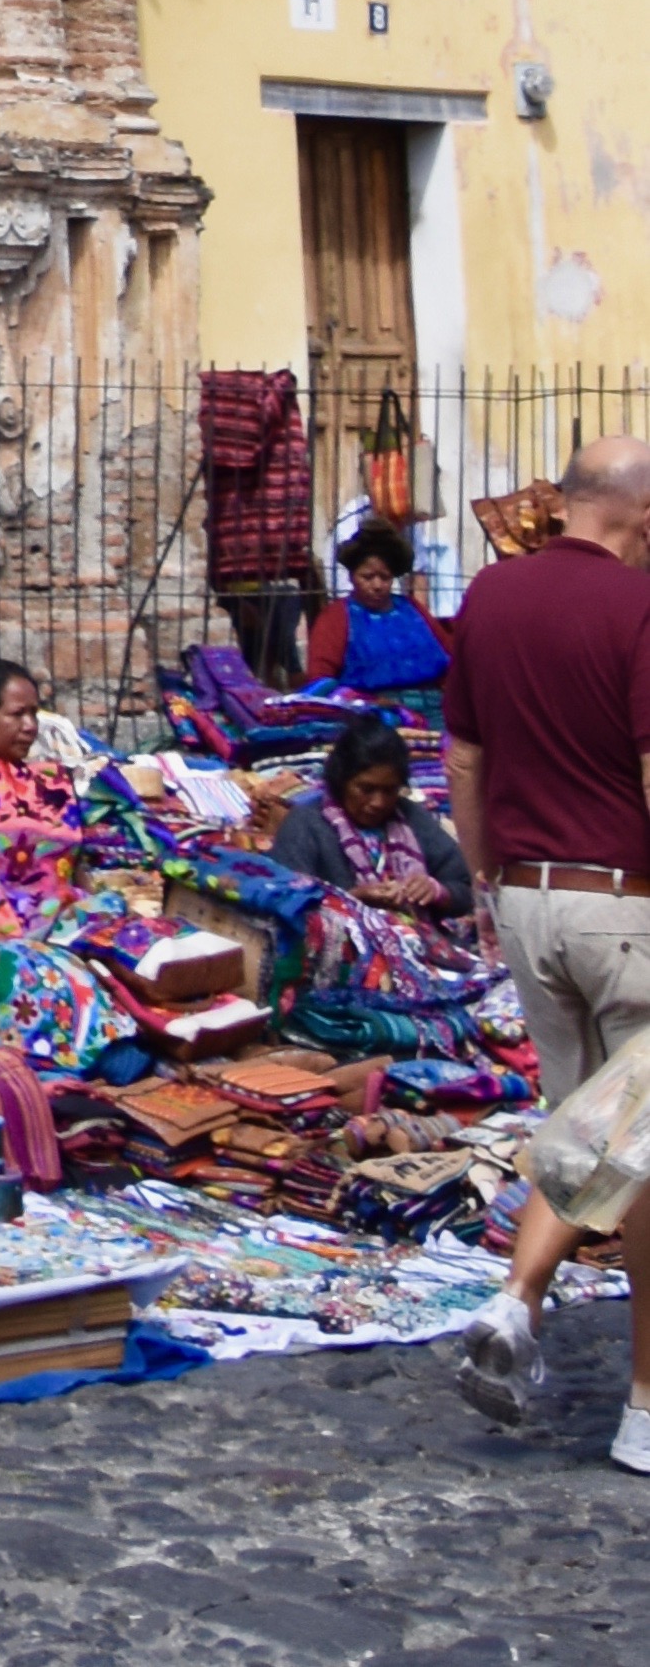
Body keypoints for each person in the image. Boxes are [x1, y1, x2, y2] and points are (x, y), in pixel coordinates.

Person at [446, 437, 650, 1472]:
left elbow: (464, 756)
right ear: (639, 514)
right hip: (623, 903)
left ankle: (516, 1300)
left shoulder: (490, 595)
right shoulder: (638, 605)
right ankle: (644, 1407)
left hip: (526, 897)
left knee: (590, 1139)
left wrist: (486, 882)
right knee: (636, 1151)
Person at [276, 713, 477, 921]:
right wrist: (351, 900)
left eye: (389, 791)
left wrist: (437, 891)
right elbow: (285, 901)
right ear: (342, 780)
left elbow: (466, 888)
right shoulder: (306, 824)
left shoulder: (411, 817)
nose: (378, 803)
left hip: (419, 945)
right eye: (366, 789)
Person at [307, 516, 452, 699]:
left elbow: (450, 663)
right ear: (352, 577)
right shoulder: (337, 617)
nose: (377, 585)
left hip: (434, 710)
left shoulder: (413, 609)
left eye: (385, 577)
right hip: (368, 716)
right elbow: (320, 680)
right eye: (367, 577)